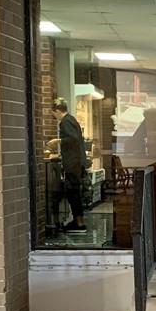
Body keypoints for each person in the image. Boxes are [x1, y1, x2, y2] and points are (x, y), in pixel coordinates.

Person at [52, 99, 88, 231]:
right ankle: (78, 221)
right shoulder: (71, 120)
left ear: (57, 111)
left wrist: (58, 140)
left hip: (73, 164)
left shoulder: (66, 122)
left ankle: (79, 223)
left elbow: (73, 139)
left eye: (54, 114)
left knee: (73, 193)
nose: (55, 117)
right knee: (74, 193)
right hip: (76, 162)